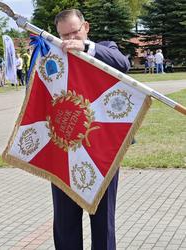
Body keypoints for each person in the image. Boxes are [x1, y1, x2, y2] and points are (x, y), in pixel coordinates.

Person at [52, 9, 130, 250]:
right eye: (64, 35)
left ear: (86, 27)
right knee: (65, 222)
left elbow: (123, 64)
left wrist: (85, 47)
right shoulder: (54, 55)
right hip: (65, 149)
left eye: (74, 32)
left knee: (103, 221)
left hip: (103, 150)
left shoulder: (106, 48)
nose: (69, 40)